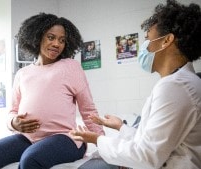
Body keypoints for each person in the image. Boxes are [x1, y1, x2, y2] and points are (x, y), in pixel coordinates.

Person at [70, 0, 201, 169]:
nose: (144, 47)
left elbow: (146, 156)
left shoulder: (176, 86)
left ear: (166, 40)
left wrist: (96, 139)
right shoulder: (183, 82)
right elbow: (152, 140)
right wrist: (120, 126)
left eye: (147, 39)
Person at [0, 12, 104, 169]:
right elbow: (12, 111)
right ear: (37, 37)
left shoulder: (71, 67)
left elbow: (88, 110)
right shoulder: (22, 74)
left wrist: (104, 145)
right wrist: (14, 123)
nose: (57, 44)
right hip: (27, 138)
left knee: (30, 160)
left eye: (62, 40)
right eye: (51, 37)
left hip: (66, 138)